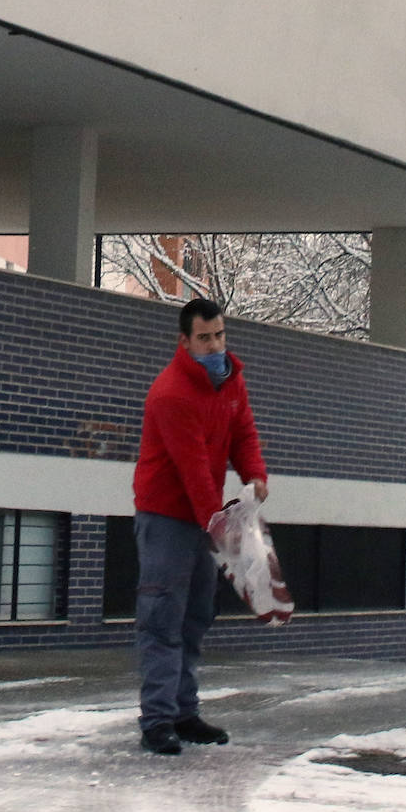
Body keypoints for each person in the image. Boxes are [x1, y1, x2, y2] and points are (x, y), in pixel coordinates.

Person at [132, 297, 268, 755]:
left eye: (219, 335)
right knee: (162, 618)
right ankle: (157, 721)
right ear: (185, 341)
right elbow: (191, 469)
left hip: (204, 516)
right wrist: (219, 523)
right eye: (204, 338)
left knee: (195, 616)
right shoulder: (171, 393)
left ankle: (184, 713)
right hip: (166, 517)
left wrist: (255, 475)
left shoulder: (230, 380)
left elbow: (243, 433)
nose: (214, 346)